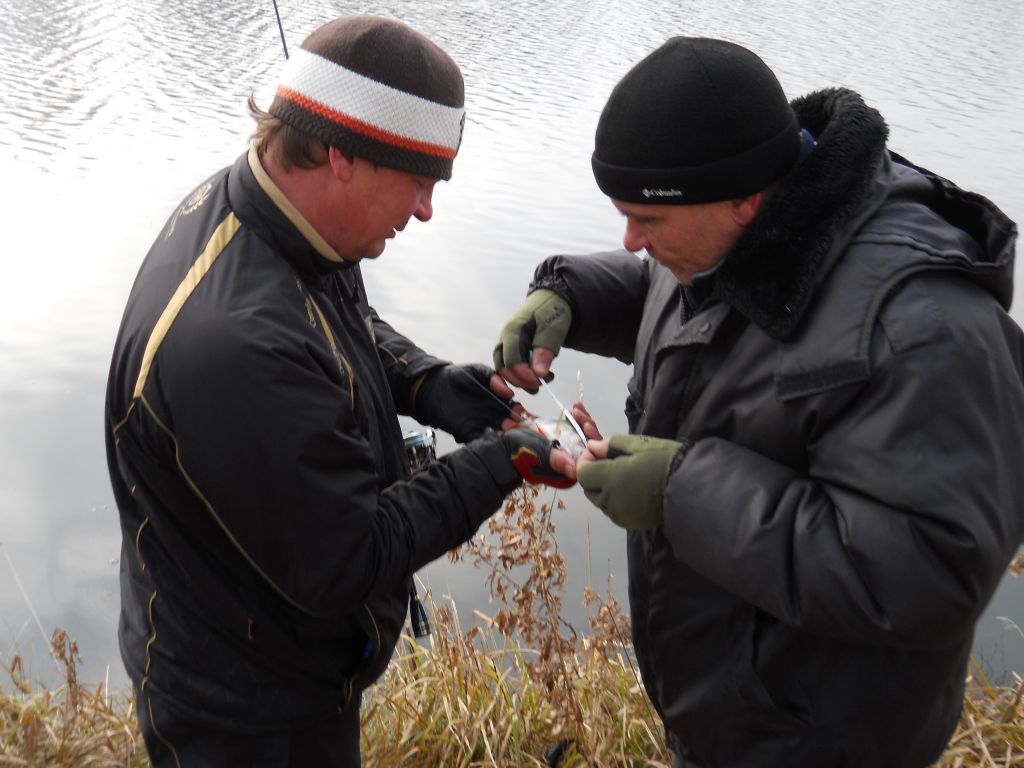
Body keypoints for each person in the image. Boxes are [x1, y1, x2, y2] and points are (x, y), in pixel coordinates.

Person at [494, 36, 1024, 768]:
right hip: (725, 719)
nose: (631, 240)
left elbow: (931, 576)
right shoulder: (737, 218)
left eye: (647, 221)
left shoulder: (926, 330)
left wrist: (681, 495)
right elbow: (677, 295)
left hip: (821, 744)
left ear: (744, 199)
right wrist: (570, 297)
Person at [105, 15, 575, 768]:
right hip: (245, 717)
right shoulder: (234, 347)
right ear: (342, 154)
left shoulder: (274, 212)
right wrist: (503, 462)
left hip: (282, 657)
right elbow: (349, 557)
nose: (427, 209)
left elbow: (336, 319)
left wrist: (427, 383)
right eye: (419, 180)